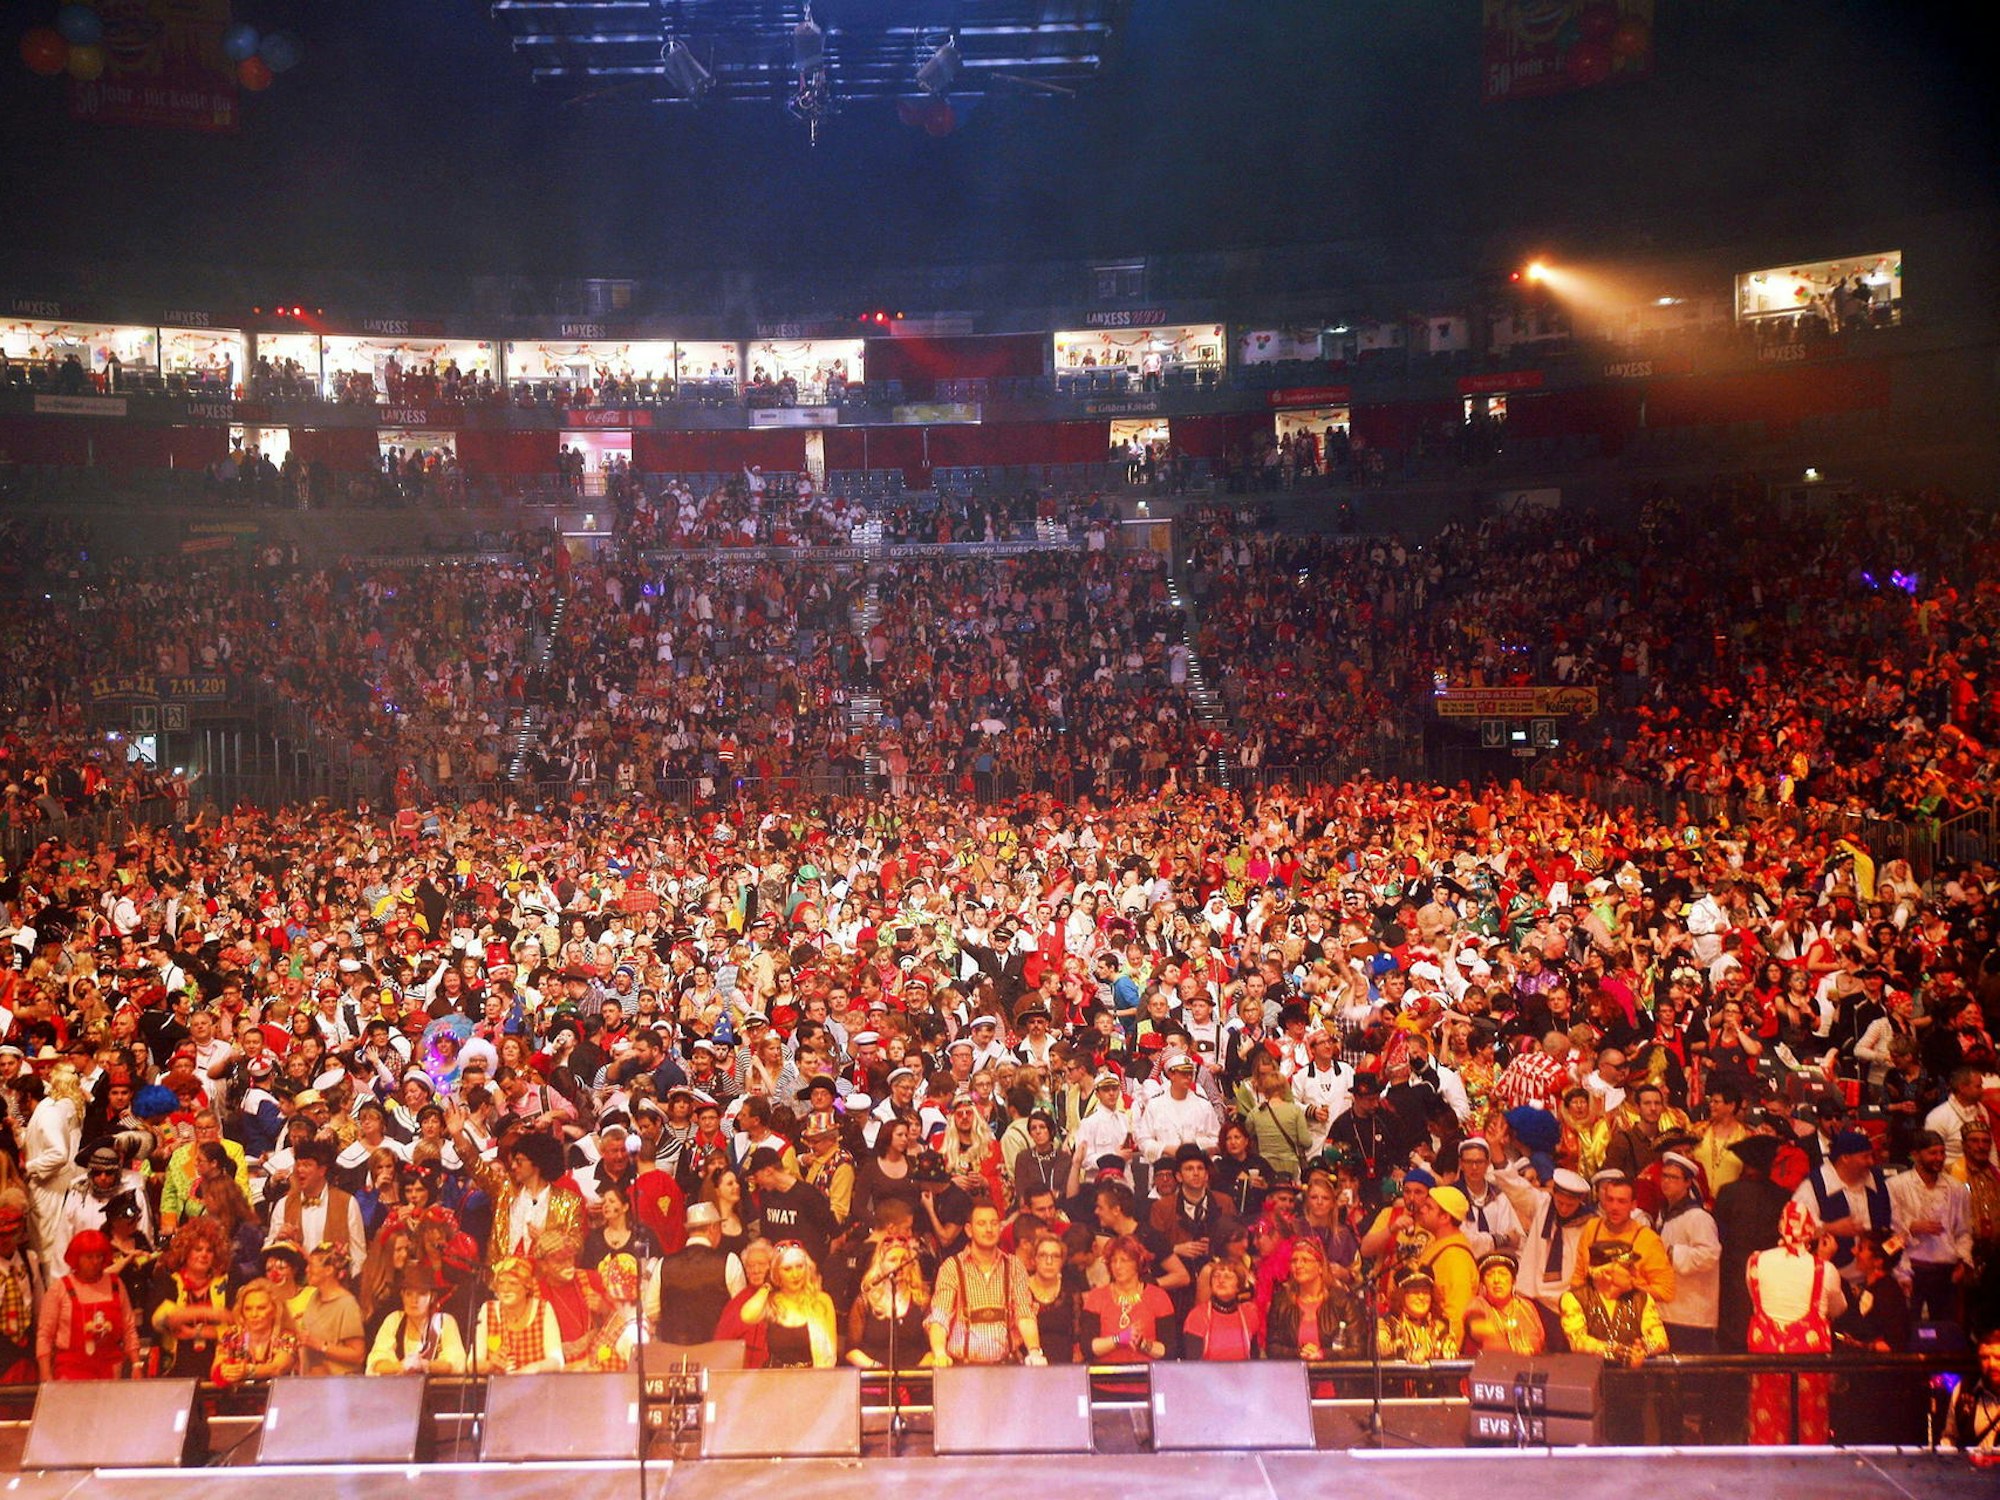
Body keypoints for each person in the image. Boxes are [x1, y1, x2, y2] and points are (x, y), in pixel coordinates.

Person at [1745, 1203, 1846, 1444]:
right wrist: (1823, 1259)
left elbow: (1754, 1299)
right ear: (1811, 1231)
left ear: (1781, 1226)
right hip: (1809, 1361)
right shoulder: (1826, 1269)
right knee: (1809, 1429)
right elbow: (1839, 1308)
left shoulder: (1756, 1261)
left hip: (1766, 1358)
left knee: (1767, 1429)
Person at [927, 1201, 1046, 1366]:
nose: (989, 1229)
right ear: (969, 1230)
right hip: (963, 1369)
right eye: (982, 1224)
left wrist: (1034, 1351)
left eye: (994, 1223)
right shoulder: (952, 1267)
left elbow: (1025, 1314)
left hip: (1006, 1368)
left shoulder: (1014, 1265)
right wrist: (939, 1353)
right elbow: (940, 1318)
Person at [1888, 1128, 1973, 1326]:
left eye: (1942, 1153)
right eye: (1933, 1153)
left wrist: (1963, 1261)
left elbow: (1964, 1232)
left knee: (1946, 1329)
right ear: (1916, 1154)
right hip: (1911, 1268)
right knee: (1909, 1329)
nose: (1939, 1158)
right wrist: (1912, 1227)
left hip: (1945, 1271)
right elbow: (1890, 1234)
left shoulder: (1957, 1189)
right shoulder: (1895, 1186)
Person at [36, 1229, 139, 1380]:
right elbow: (45, 1336)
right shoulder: (60, 1288)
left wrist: (136, 1364)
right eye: (89, 1257)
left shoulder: (116, 1284)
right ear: (76, 1258)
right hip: (71, 1374)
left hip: (110, 1372)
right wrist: (46, 1375)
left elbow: (129, 1328)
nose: (96, 1262)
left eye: (99, 1256)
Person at [650, 1201, 745, 1346]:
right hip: (718, 1354)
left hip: (675, 1355)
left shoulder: (664, 1264)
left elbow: (652, 1311)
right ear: (712, 1228)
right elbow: (740, 1311)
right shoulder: (729, 1262)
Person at [1561, 1240, 1668, 1368]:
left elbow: (1661, 1339)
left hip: (1634, 1378)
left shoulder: (1642, 1299)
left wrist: (1642, 1349)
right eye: (1629, 1267)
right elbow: (1578, 1341)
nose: (1636, 1273)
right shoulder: (1574, 1299)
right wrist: (1616, 1351)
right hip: (1589, 1376)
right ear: (1607, 1274)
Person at [1655, 1150, 1723, 1352]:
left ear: (1687, 1183)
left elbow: (1709, 1255)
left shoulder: (1698, 1217)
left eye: (1674, 1177)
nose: (1666, 1182)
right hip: (1668, 1310)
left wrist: (1671, 1253)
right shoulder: (1663, 1215)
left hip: (1692, 1313)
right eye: (1664, 1176)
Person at [149, 1219, 233, 1378]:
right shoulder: (169, 1281)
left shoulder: (226, 1282)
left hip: (219, 1370)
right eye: (198, 1249)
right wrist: (208, 1312)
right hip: (176, 1371)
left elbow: (237, 1325)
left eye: (209, 1250)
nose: (204, 1255)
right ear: (186, 1251)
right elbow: (160, 1320)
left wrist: (195, 1332)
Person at [739, 1241, 839, 1368]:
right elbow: (747, 1316)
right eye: (787, 1269)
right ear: (776, 1272)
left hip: (812, 1377)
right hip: (777, 1377)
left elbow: (831, 1355)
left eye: (799, 1266)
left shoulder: (822, 1300)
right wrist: (767, 1285)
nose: (795, 1274)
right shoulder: (772, 1301)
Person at [1080, 1235, 1176, 1361]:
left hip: (1147, 1376)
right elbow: (1088, 1348)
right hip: (1107, 1376)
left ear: (1138, 1262)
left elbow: (1169, 1351)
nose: (1118, 1266)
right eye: (1114, 1261)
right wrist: (1118, 1339)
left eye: (1124, 1260)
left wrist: (1142, 1344)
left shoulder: (1158, 1297)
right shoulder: (1097, 1297)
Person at [1266, 1236, 1363, 1360]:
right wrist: (1299, 1353)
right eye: (1294, 1261)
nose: (1298, 1265)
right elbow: (1272, 1348)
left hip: (1333, 1376)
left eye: (1305, 1260)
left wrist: (1322, 1354)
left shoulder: (1342, 1301)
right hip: (1294, 1376)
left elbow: (1357, 1349)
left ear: (1320, 1267)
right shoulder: (1281, 1301)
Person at [846, 1227, 929, 1369]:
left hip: (915, 1379)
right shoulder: (865, 1301)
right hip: (875, 1381)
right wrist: (877, 1368)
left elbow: (932, 1350)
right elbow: (852, 1351)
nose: (899, 1265)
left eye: (904, 1260)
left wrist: (913, 1373)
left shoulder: (922, 1300)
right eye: (893, 1260)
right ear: (881, 1264)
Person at [472, 1256, 566, 1373]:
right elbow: (472, 1363)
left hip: (537, 1386)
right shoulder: (488, 1309)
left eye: (513, 1283)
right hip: (499, 1387)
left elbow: (557, 1361)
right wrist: (490, 1365)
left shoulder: (543, 1309)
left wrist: (533, 1368)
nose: (505, 1289)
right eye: (501, 1283)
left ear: (527, 1287)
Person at [368, 1265, 468, 1374]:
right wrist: (401, 1366)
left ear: (432, 1297)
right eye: (409, 1294)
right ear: (402, 1295)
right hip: (397, 1389)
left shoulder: (444, 1322)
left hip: (434, 1390)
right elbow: (376, 1364)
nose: (414, 1300)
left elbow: (456, 1364)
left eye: (422, 1294)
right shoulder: (394, 1320)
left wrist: (425, 1365)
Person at [211, 1279, 301, 1385]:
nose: (254, 1314)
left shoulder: (286, 1336)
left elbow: (278, 1368)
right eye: (248, 1309)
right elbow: (215, 1371)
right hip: (239, 1399)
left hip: (279, 1398)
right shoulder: (231, 1336)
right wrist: (224, 1371)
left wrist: (248, 1371)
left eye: (261, 1308)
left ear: (275, 1310)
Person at [296, 1242, 367, 1375]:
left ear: (329, 1270)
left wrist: (319, 1345)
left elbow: (358, 1355)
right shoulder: (314, 1297)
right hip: (313, 1382)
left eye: (311, 1265)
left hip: (338, 1386)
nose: (306, 1270)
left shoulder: (347, 1305)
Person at [1182, 1255, 1264, 1360]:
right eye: (1216, 1276)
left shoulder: (1249, 1315)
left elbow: (1254, 1359)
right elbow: (1193, 1364)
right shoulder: (1198, 1316)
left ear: (1239, 1285)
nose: (1221, 1280)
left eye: (1228, 1277)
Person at [1941, 1324, 2000, 1466]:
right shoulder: (1963, 1390)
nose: (1991, 1364)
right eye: (1985, 1357)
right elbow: (1949, 1437)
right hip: (1972, 1476)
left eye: (1998, 1358)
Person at [1465, 1252, 1545, 1355]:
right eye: (1489, 1275)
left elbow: (1540, 1340)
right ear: (1483, 1283)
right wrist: (1501, 1329)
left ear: (1513, 1281)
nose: (1496, 1280)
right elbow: (1475, 1327)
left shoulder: (1527, 1307)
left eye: (1503, 1274)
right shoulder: (1478, 1304)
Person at [1378, 1266, 1459, 1362]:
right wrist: (1408, 1352)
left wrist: (1448, 1349)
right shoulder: (1387, 1323)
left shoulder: (1441, 1326)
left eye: (1425, 1292)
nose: (1421, 1297)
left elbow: (1449, 1346)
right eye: (1415, 1292)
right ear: (1401, 1296)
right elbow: (1379, 1350)